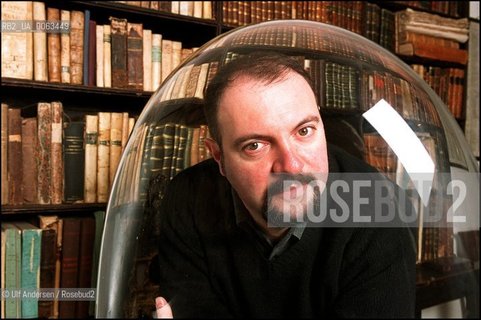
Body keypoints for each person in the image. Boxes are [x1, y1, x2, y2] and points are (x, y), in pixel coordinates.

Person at [153, 52, 416, 318]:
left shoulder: (379, 208)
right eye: (255, 146)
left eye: (304, 131)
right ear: (219, 158)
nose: (291, 166)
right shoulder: (187, 196)